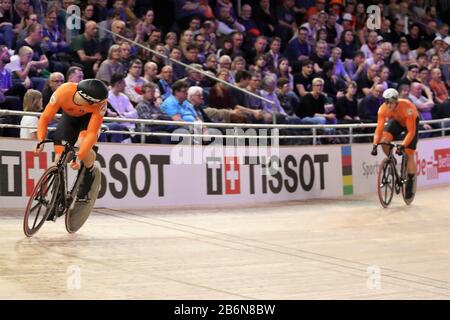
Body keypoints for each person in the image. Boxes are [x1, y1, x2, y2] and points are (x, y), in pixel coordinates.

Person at [34, 79, 109, 206]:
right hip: (70, 118)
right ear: (88, 99)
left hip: (88, 121)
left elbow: (91, 133)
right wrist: (40, 139)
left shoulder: (101, 104)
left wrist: (79, 156)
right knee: (59, 157)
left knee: (81, 143)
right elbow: (45, 118)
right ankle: (56, 192)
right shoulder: (63, 91)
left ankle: (89, 172)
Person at [371, 88, 419, 200]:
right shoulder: (383, 109)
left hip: (410, 122)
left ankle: (410, 182)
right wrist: (375, 144)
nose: (388, 104)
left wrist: (403, 145)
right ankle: (391, 158)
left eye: (391, 102)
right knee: (384, 140)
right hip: (397, 121)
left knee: (409, 152)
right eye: (386, 101)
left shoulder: (407, 107)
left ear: (396, 101)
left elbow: (411, 131)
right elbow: (379, 129)